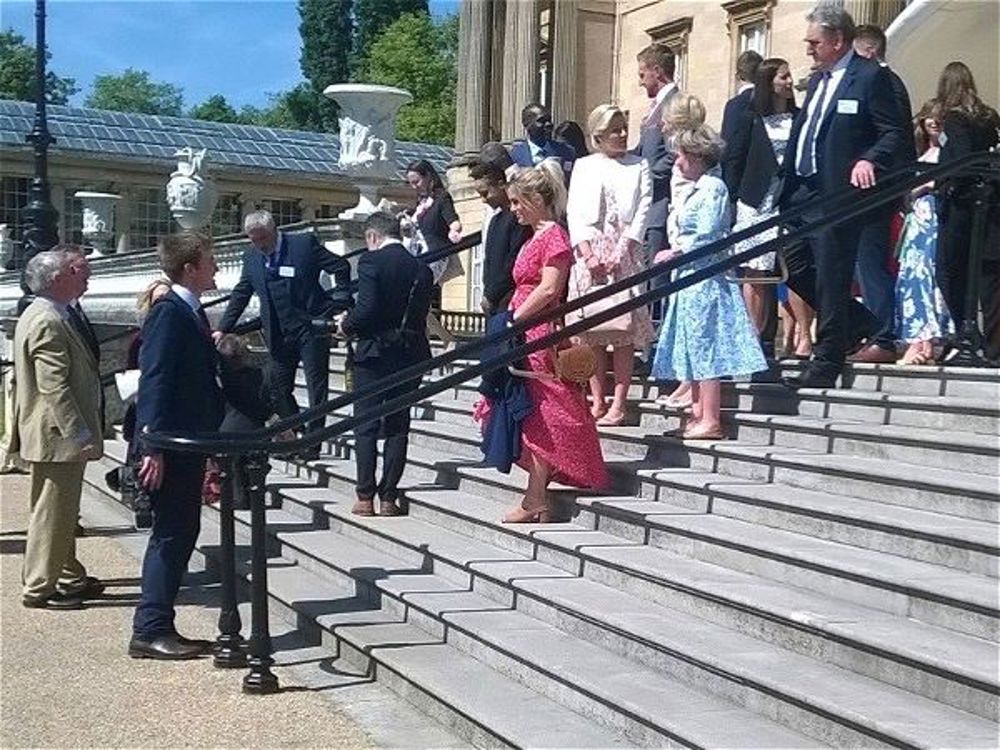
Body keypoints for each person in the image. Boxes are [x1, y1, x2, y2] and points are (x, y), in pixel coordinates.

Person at [779, 3, 906, 390]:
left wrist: (869, 158)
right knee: (793, 265)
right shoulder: (817, 81)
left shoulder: (870, 78)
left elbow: (894, 132)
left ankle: (827, 357)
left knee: (833, 272)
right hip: (800, 189)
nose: (808, 50)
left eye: (814, 42)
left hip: (836, 192)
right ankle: (862, 324)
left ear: (836, 40)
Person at [131, 233, 225, 660]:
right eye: (210, 260)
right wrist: (151, 444)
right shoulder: (170, 312)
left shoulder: (187, 309)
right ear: (190, 267)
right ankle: (150, 627)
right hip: (171, 443)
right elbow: (156, 377)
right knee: (171, 534)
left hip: (186, 441)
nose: (217, 267)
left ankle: (158, 623)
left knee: (181, 530)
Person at [499, 161, 608, 523]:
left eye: (517, 201)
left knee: (544, 411)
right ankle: (535, 495)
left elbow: (549, 288)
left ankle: (535, 498)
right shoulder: (536, 236)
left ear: (534, 199)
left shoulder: (554, 237)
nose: (513, 209)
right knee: (532, 412)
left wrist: (515, 318)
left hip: (538, 332)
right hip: (525, 329)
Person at [651, 126, 768, 439]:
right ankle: (697, 412)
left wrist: (677, 251)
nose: (677, 163)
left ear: (697, 157)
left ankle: (711, 417)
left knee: (707, 346)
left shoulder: (713, 187)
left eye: (682, 156)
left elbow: (708, 232)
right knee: (692, 344)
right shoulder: (697, 187)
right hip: (690, 277)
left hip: (706, 278)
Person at [13, 247, 104, 609]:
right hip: (57, 436)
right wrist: (78, 433)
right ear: (57, 279)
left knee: (59, 510)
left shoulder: (48, 313)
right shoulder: (48, 319)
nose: (83, 275)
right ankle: (39, 587)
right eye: (74, 270)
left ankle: (66, 575)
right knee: (52, 513)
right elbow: (54, 386)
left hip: (51, 435)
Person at [216, 210, 350, 452]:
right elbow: (241, 294)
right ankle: (295, 431)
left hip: (311, 328)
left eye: (263, 239)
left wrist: (339, 302)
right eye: (253, 240)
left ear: (274, 230)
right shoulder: (251, 258)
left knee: (315, 386)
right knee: (277, 387)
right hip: (278, 332)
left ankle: (314, 441)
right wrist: (223, 328)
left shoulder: (303, 245)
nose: (260, 245)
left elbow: (340, 266)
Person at [338, 212, 433, 517]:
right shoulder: (422, 269)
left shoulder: (370, 262)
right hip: (410, 353)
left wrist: (345, 325)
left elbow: (365, 310)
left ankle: (365, 496)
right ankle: (389, 496)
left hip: (373, 352)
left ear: (373, 237)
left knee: (365, 424)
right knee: (397, 424)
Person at [566, 104, 655, 426]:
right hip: (590, 252)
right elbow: (575, 211)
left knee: (623, 331)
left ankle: (619, 402)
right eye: (614, 130)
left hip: (624, 252)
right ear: (598, 135)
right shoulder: (585, 166)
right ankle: (597, 398)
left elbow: (644, 207)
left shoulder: (639, 164)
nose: (621, 134)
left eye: (623, 128)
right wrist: (588, 253)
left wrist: (624, 247)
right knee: (591, 329)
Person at [848, 23, 916, 363]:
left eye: (856, 54)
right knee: (865, 261)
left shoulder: (883, 81)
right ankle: (875, 330)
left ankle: (882, 334)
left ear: (870, 52)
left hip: (878, 184)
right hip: (875, 184)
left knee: (871, 261)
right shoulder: (888, 81)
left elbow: (892, 135)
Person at [725, 57, 803, 344]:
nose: (789, 82)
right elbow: (734, 159)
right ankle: (752, 336)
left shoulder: (800, 117)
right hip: (755, 200)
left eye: (789, 76)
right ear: (769, 82)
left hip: (787, 201)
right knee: (755, 270)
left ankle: (793, 335)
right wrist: (731, 200)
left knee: (789, 268)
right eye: (783, 77)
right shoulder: (751, 118)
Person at [932, 61, 1000, 347]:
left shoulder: (955, 120)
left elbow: (960, 160)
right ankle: (990, 343)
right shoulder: (990, 117)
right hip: (989, 203)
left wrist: (943, 185)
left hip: (961, 205)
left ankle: (966, 332)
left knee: (949, 268)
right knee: (987, 273)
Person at [655, 93, 708, 409]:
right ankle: (686, 380)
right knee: (681, 318)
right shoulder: (679, 151)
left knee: (692, 321)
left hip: (689, 243)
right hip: (679, 237)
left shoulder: (691, 154)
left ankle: (692, 382)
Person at [894, 101, 953, 365]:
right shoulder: (920, 153)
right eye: (929, 116)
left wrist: (916, 190)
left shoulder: (947, 152)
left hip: (934, 218)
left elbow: (932, 183)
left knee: (929, 276)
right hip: (916, 221)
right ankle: (918, 340)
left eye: (939, 117)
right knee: (912, 276)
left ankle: (929, 339)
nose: (933, 121)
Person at [404, 159, 462, 346]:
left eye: (417, 182)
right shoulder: (420, 203)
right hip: (418, 255)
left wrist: (455, 230)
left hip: (435, 255)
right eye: (411, 183)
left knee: (413, 296)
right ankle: (443, 339)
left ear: (428, 177)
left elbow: (453, 220)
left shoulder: (442, 198)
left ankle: (427, 341)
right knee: (415, 299)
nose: (414, 187)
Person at [633, 43, 679, 267]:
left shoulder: (674, 104)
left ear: (658, 71)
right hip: (649, 208)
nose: (640, 81)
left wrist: (645, 177)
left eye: (642, 74)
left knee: (656, 280)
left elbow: (675, 154)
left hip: (661, 206)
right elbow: (642, 150)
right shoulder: (656, 105)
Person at [470, 159, 530, 315]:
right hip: (493, 301)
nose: (484, 199)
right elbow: (488, 262)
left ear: (501, 184)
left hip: (509, 298)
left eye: (485, 193)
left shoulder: (519, 220)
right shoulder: (495, 220)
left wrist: (492, 295)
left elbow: (514, 260)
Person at [720, 49, 764, 183]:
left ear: (738, 76)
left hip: (742, 180)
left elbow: (731, 148)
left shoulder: (735, 105)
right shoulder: (771, 101)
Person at [510, 103, 577, 180]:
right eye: (541, 121)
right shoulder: (514, 156)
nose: (548, 124)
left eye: (549, 120)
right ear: (527, 125)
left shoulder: (567, 152)